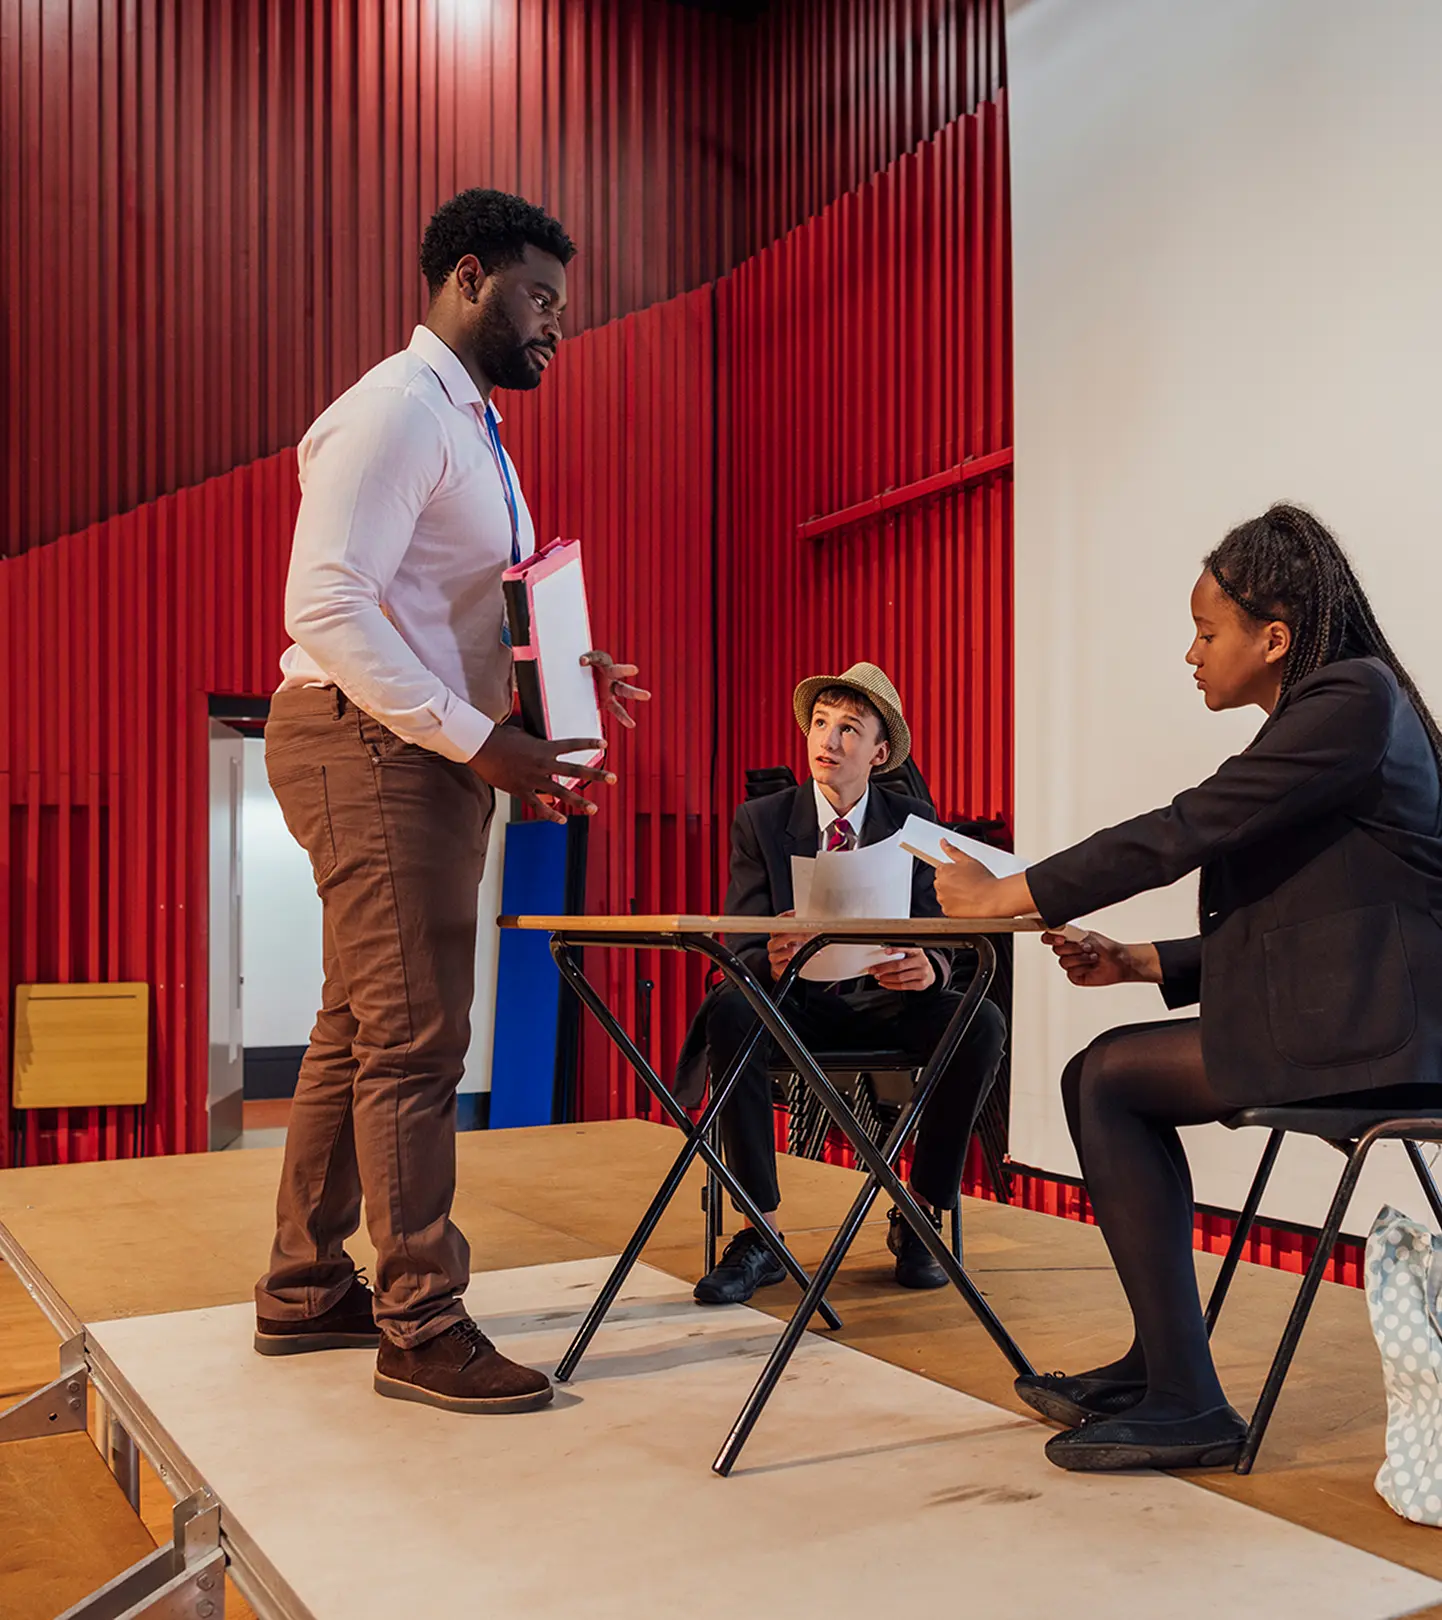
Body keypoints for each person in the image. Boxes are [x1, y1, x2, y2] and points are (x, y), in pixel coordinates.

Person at [933, 503, 1442, 1471]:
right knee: (1102, 1073)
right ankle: (1161, 1364)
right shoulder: (1339, 710)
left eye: (1207, 632)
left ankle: (1184, 1397)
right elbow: (1320, 916)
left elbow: (1188, 826)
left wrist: (1006, 892)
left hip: (1389, 1043)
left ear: (1273, 636)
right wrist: (1147, 962)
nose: (1190, 654)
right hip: (1367, 1020)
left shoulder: (1348, 700)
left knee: (1106, 1078)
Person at [252, 189, 649, 1415]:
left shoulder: (475, 430)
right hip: (370, 749)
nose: (554, 330)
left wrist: (564, 677)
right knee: (418, 1037)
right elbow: (327, 605)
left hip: (404, 751)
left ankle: (307, 1285)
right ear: (466, 278)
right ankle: (418, 1321)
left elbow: (459, 607)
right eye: (538, 300)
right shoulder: (393, 414)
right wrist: (487, 743)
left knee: (358, 1027)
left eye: (564, 313)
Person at [675, 663, 1007, 1303]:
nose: (828, 740)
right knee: (729, 1010)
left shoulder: (914, 820)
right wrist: (770, 954)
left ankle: (921, 1215)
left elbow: (938, 929)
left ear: (880, 753)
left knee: (980, 1020)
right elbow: (738, 940)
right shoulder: (763, 820)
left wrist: (929, 966)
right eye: (820, 724)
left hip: (884, 999)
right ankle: (760, 1233)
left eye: (849, 729)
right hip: (793, 1003)